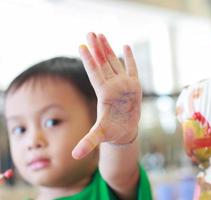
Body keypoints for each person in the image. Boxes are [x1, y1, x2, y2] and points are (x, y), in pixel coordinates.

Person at [3, 32, 152, 200]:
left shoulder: (111, 186)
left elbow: (120, 173)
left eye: (52, 122)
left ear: (96, 122)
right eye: (20, 129)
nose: (33, 142)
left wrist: (118, 139)